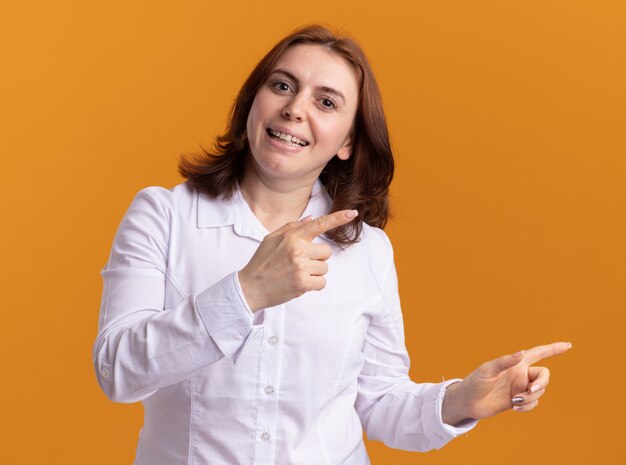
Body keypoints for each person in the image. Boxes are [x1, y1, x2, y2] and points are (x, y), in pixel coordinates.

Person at [93, 25, 571, 465]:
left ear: (347, 142)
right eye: (282, 85)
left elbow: (379, 401)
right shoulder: (163, 214)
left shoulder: (369, 250)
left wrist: (461, 400)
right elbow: (117, 371)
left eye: (326, 102)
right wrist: (245, 293)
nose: (295, 108)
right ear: (251, 104)